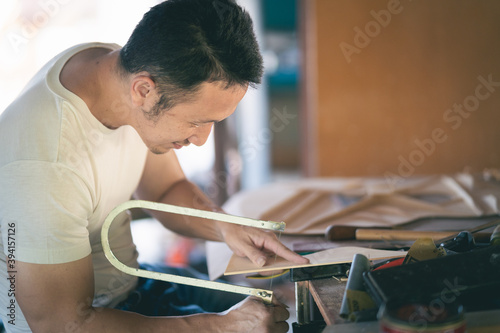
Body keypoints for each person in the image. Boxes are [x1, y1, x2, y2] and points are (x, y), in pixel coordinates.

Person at [0, 0, 309, 332]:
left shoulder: (113, 67)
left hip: (132, 286)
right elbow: (66, 324)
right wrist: (220, 327)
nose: (202, 139)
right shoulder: (43, 167)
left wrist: (224, 227)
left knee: (274, 307)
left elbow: (165, 189)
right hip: (91, 320)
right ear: (144, 91)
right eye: (197, 122)